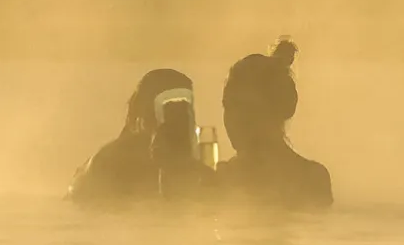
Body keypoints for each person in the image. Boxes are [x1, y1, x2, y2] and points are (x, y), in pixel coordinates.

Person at [218, 39, 332, 209]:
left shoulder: (225, 180)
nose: (232, 120)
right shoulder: (313, 177)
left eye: (244, 109)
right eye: (228, 107)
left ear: (276, 111)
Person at [68, 69, 207, 206]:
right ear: (144, 116)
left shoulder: (189, 165)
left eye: (184, 112)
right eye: (171, 111)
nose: (178, 121)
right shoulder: (111, 163)